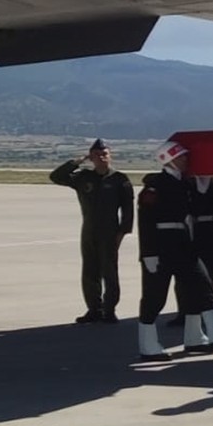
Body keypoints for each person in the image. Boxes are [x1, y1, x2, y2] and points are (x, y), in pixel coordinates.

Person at [135, 141, 213, 362]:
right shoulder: (154, 187)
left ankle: (212, 335)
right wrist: (148, 254)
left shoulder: (185, 184)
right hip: (161, 246)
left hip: (184, 244)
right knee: (155, 297)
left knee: (202, 286)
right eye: (181, 157)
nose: (185, 160)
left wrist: (205, 184)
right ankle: (148, 345)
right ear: (168, 159)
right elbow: (145, 222)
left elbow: (198, 209)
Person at [49, 138, 134, 324]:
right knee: (89, 272)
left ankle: (109, 310)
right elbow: (56, 177)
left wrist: (121, 234)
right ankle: (94, 309)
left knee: (109, 272)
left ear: (110, 156)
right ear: (91, 157)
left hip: (109, 232)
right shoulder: (83, 177)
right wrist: (79, 160)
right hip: (88, 231)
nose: (101, 157)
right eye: (96, 155)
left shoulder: (119, 179)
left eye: (104, 154)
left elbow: (128, 211)